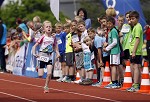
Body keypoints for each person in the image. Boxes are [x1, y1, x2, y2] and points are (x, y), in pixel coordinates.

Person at [32, 20, 60, 93]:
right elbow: (35, 46)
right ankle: (38, 67)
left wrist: (57, 52)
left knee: (49, 73)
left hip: (49, 57)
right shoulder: (42, 37)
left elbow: (55, 46)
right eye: (47, 27)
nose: (49, 28)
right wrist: (34, 53)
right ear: (44, 29)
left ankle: (46, 86)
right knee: (40, 75)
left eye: (50, 27)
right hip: (42, 56)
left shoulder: (53, 38)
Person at [126, 11, 143, 92]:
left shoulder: (138, 27)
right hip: (132, 50)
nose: (131, 20)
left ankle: (136, 84)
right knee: (133, 66)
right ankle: (135, 83)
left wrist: (134, 52)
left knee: (135, 66)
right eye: (130, 19)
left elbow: (137, 39)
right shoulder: (134, 27)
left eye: (133, 19)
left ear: (137, 19)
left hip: (135, 51)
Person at [103, 16, 121, 88]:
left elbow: (115, 42)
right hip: (113, 51)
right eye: (108, 24)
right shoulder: (111, 31)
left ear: (113, 24)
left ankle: (114, 82)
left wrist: (107, 48)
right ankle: (115, 81)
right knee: (114, 66)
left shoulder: (113, 31)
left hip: (114, 51)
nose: (109, 25)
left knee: (113, 66)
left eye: (110, 24)